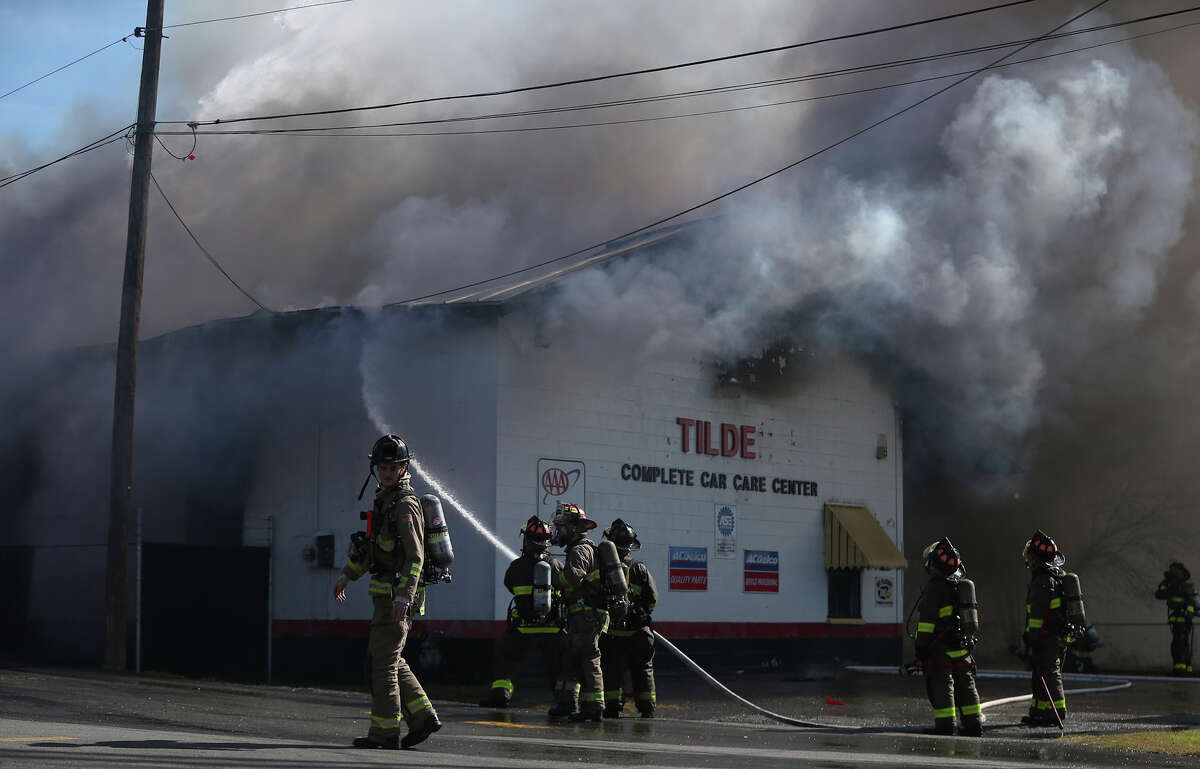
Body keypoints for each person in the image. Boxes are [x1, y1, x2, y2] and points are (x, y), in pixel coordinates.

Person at [333, 434, 442, 750]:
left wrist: (403, 596)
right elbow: (371, 551)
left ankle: (384, 733)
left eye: (393, 468)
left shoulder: (404, 504)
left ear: (404, 467)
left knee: (382, 666)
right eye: (382, 467)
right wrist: (346, 576)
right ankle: (423, 718)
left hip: (395, 601)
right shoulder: (384, 501)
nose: (387, 473)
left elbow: (415, 556)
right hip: (385, 598)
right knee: (391, 660)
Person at [478, 515, 569, 708]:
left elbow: (509, 584)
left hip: (523, 628)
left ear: (526, 540)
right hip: (552, 628)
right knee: (557, 667)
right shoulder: (556, 565)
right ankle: (563, 701)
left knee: (507, 661)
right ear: (547, 543)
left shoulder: (517, 566)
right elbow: (566, 587)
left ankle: (500, 695)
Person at [912, 538, 982, 736]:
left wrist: (921, 649)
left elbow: (926, 624)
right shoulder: (961, 586)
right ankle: (973, 723)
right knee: (967, 685)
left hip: (940, 649)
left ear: (933, 564)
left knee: (943, 686)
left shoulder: (934, 588)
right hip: (962, 647)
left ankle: (945, 725)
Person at [546, 503, 608, 721]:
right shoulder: (580, 547)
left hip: (587, 614)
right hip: (581, 614)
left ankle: (594, 707)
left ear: (572, 528)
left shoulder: (581, 549)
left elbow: (571, 579)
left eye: (560, 527)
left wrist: (553, 568)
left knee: (588, 658)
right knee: (571, 659)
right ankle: (567, 703)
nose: (557, 532)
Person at [600, 519, 659, 719]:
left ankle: (613, 706)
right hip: (638, 633)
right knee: (643, 670)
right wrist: (641, 615)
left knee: (612, 671)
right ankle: (647, 706)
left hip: (614, 634)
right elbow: (652, 598)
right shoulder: (639, 568)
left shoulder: (603, 569)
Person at [1021, 529, 1068, 727]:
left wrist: (1033, 639)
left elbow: (1038, 615)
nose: (1028, 561)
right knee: (1040, 674)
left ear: (1037, 558)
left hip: (1045, 636)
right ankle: (1039, 712)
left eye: (1030, 557)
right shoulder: (1057, 577)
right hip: (1055, 635)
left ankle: (1057, 711)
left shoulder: (1042, 581)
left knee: (1049, 673)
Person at [1155, 561, 1199, 676]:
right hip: (1177, 620)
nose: (1172, 572)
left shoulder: (1186, 586)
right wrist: (1165, 581)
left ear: (1181, 573)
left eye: (1174, 571)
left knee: (1179, 645)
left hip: (1183, 620)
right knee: (1181, 644)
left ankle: (1180, 670)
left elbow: (1191, 602)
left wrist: (1188, 613)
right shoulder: (1171, 586)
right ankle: (1185, 669)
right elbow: (1159, 594)